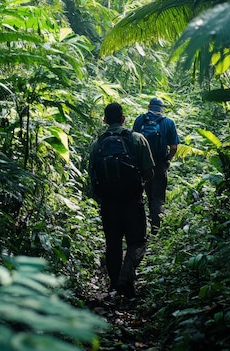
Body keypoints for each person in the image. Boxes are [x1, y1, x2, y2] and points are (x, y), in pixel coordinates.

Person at [89, 102, 155, 298]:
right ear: (123, 118)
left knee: (113, 244)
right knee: (138, 242)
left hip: (109, 202)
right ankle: (125, 280)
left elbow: (92, 177)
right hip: (133, 200)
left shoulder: (97, 144)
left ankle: (114, 286)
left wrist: (101, 196)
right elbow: (150, 172)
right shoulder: (137, 139)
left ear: (105, 120)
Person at [133, 97, 179, 236]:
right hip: (159, 164)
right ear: (162, 108)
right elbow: (174, 147)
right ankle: (156, 230)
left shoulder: (140, 120)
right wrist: (168, 160)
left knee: (143, 195)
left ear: (149, 107)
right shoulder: (168, 122)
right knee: (158, 197)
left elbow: (133, 141)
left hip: (142, 165)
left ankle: (139, 229)